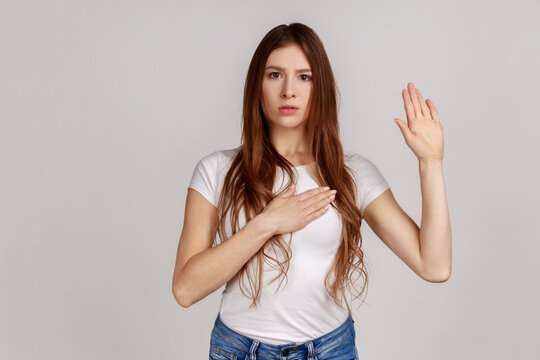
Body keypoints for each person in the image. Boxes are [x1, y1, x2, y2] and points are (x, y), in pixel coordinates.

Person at [172, 22, 451, 360]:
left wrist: (431, 163)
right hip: (241, 351)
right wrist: (267, 224)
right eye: (275, 74)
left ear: (320, 89)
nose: (289, 90)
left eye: (304, 77)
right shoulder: (217, 170)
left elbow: (434, 267)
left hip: (330, 350)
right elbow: (185, 289)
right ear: (256, 86)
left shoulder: (352, 174)